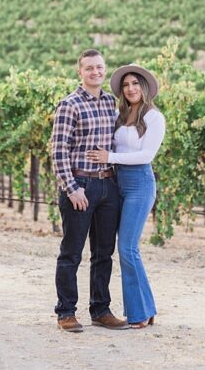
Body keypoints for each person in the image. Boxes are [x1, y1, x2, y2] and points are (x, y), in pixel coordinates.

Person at [51, 49, 129, 332]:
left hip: (108, 185)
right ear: (79, 72)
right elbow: (58, 151)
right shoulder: (69, 104)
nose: (95, 72)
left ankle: (100, 309)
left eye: (99, 67)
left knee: (104, 252)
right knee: (72, 252)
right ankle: (66, 312)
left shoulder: (111, 103)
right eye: (89, 68)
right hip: (80, 186)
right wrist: (71, 189)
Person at [86, 64, 165, 328]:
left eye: (135, 84)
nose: (130, 89)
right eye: (126, 85)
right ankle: (146, 308)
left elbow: (146, 156)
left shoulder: (154, 117)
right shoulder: (121, 115)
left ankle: (140, 313)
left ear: (144, 87)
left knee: (127, 248)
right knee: (120, 248)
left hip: (139, 184)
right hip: (117, 182)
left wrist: (110, 158)